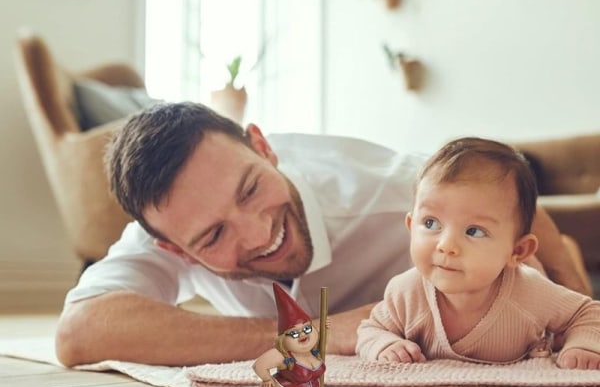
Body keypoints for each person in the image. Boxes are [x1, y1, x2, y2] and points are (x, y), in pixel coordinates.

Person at [56, 102, 592, 367]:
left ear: (263, 147)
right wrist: (310, 334)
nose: (260, 231)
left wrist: (575, 298)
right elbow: (78, 333)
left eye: (250, 189)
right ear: (175, 249)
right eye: (215, 235)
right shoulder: (167, 227)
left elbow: (511, 206)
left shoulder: (388, 190)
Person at [356, 137, 600, 369]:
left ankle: (564, 251)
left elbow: (587, 312)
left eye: (474, 231)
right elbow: (370, 330)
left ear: (518, 250)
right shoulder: (406, 292)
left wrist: (582, 346)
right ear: (411, 227)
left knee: (555, 308)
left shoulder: (532, 293)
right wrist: (384, 344)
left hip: (528, 272)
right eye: (431, 223)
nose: (446, 245)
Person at [252, 283, 325, 387]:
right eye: (293, 333)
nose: (302, 335)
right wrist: (266, 378)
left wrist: (325, 327)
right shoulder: (284, 355)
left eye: (307, 328)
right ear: (283, 340)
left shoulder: (313, 353)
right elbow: (259, 365)